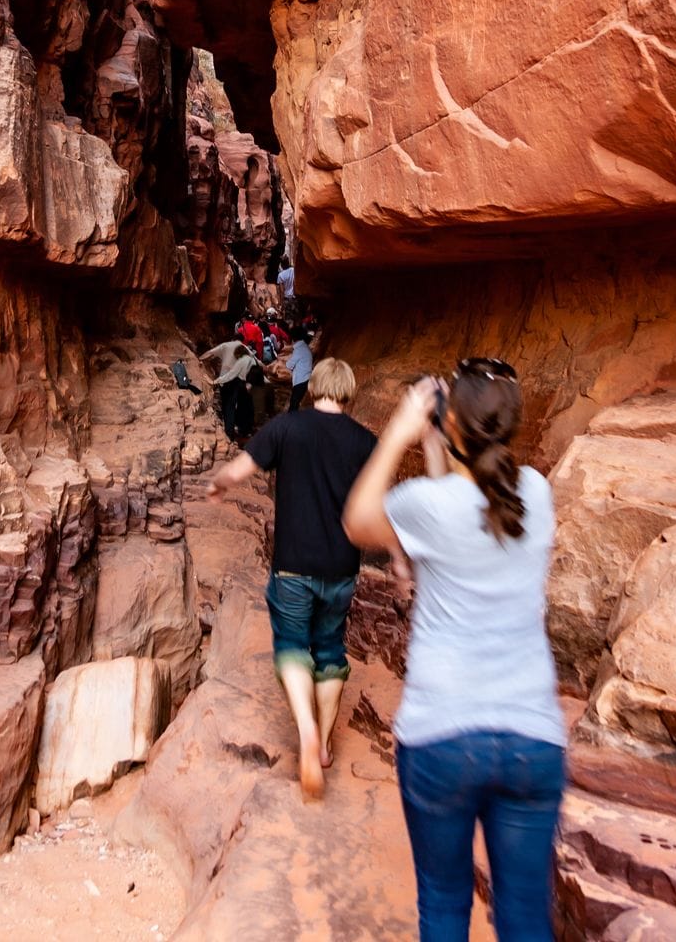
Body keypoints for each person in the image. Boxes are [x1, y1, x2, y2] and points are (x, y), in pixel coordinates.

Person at [343, 359, 566, 942]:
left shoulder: (425, 505)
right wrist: (445, 442)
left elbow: (358, 519)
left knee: (443, 907)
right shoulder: (538, 495)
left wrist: (402, 430)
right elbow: (468, 504)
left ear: (455, 426)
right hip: (531, 736)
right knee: (524, 914)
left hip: (443, 736)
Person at [206, 358, 376, 799]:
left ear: (315, 385)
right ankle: (324, 746)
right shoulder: (365, 441)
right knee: (331, 649)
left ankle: (306, 734)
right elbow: (379, 504)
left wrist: (219, 483)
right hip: (341, 567)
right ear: (349, 390)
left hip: (293, 565)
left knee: (292, 646)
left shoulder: (287, 427)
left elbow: (241, 468)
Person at [200, 336, 255, 442]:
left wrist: (199, 358)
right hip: (239, 381)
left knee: (227, 406)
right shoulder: (244, 348)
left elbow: (209, 353)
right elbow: (254, 362)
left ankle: (229, 433)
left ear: (232, 339)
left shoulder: (225, 346)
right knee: (240, 404)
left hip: (225, 381)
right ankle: (242, 430)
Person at [285, 326, 315, 411]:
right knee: (295, 402)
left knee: (294, 403)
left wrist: (287, 362)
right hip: (306, 377)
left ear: (293, 339)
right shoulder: (304, 347)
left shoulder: (299, 350)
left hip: (301, 380)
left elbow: (289, 365)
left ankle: (291, 421)